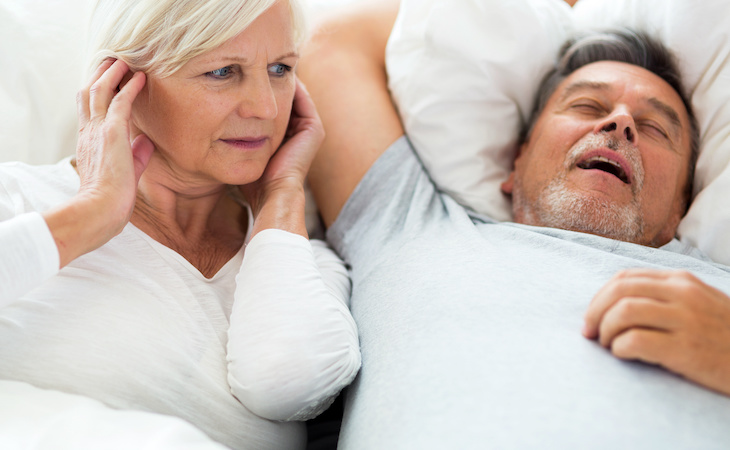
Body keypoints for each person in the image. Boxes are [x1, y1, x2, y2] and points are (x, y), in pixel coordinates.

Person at [298, 0, 730, 448]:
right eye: (585, 105)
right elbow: (332, 46)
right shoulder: (408, 222)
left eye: (656, 128)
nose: (620, 123)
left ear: (683, 204)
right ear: (517, 158)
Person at [0, 0, 360, 448]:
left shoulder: (294, 256)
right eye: (223, 71)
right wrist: (94, 211)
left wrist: (283, 193)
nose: (265, 108)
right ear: (121, 83)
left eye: (281, 69)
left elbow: (286, 387)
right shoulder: (17, 198)